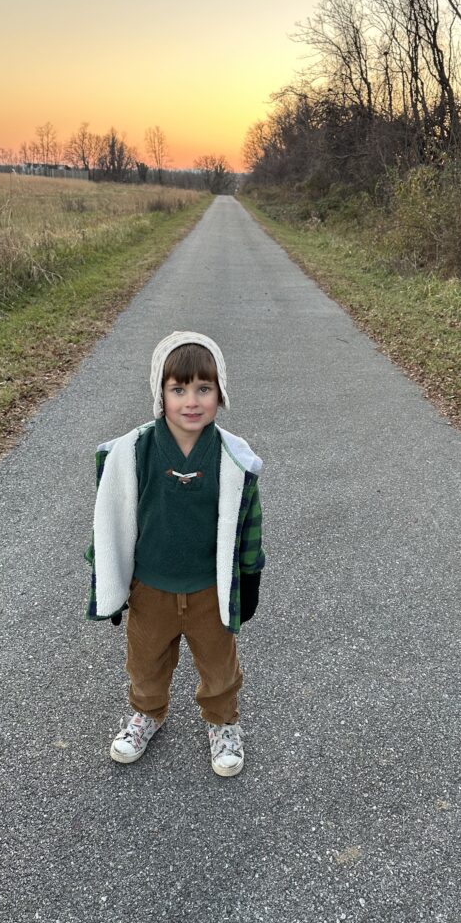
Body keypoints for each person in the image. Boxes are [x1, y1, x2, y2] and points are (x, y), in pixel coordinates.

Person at [84, 330, 265, 777]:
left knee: (219, 665)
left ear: (220, 392)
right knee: (145, 662)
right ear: (159, 393)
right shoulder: (135, 451)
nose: (191, 401)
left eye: (203, 389)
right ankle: (147, 714)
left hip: (209, 589)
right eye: (178, 389)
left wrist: (251, 573)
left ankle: (223, 723)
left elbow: (249, 522)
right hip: (151, 588)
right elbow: (110, 516)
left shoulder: (233, 459)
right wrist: (106, 577)